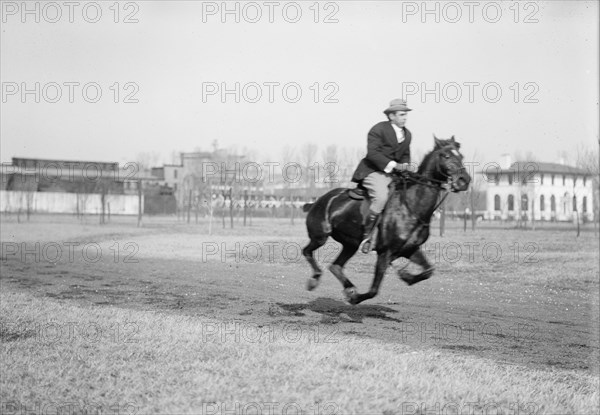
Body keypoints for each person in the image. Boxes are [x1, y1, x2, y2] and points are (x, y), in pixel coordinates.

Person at [351, 98, 414, 253]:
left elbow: (405, 155)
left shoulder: (408, 134)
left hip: (393, 174)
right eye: (401, 114)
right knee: (381, 197)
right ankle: (367, 236)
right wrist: (394, 165)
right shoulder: (378, 129)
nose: (404, 117)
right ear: (391, 116)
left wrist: (405, 165)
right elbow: (373, 154)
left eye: (406, 114)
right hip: (372, 171)